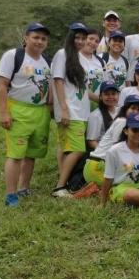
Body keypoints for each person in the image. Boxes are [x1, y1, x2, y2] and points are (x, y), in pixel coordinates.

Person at [0, 22, 52, 206]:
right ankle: (11, 194)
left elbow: (49, 87)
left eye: (43, 38)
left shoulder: (47, 61)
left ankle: (24, 188)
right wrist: (3, 112)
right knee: (16, 154)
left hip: (40, 112)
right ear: (26, 38)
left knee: (31, 154)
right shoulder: (13, 56)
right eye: (36, 37)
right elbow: (2, 85)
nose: (40, 41)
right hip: (19, 110)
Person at [51, 23, 94, 198]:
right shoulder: (62, 54)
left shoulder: (78, 58)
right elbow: (58, 81)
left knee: (65, 147)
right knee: (78, 149)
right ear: (70, 37)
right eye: (77, 37)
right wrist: (64, 109)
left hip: (81, 111)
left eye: (83, 38)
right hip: (70, 110)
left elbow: (82, 89)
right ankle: (60, 187)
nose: (80, 41)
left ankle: (63, 182)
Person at [83, 95, 139, 186]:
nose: (136, 112)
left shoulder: (128, 123)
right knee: (130, 186)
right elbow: (117, 149)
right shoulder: (122, 122)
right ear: (125, 109)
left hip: (102, 166)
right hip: (97, 168)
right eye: (133, 108)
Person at [86, 81, 119, 150]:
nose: (111, 97)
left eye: (113, 94)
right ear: (100, 97)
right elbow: (91, 141)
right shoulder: (95, 115)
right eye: (107, 94)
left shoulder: (121, 111)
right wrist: (105, 153)